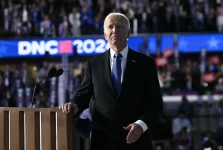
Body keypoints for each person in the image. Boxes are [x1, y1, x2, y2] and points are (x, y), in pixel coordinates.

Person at [59, 12, 163, 150]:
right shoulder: (93, 64)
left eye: (119, 27)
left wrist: (141, 125)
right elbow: (83, 95)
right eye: (110, 27)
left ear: (128, 33)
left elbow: (155, 104)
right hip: (103, 141)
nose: (114, 30)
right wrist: (74, 104)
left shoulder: (145, 63)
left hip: (136, 140)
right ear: (105, 34)